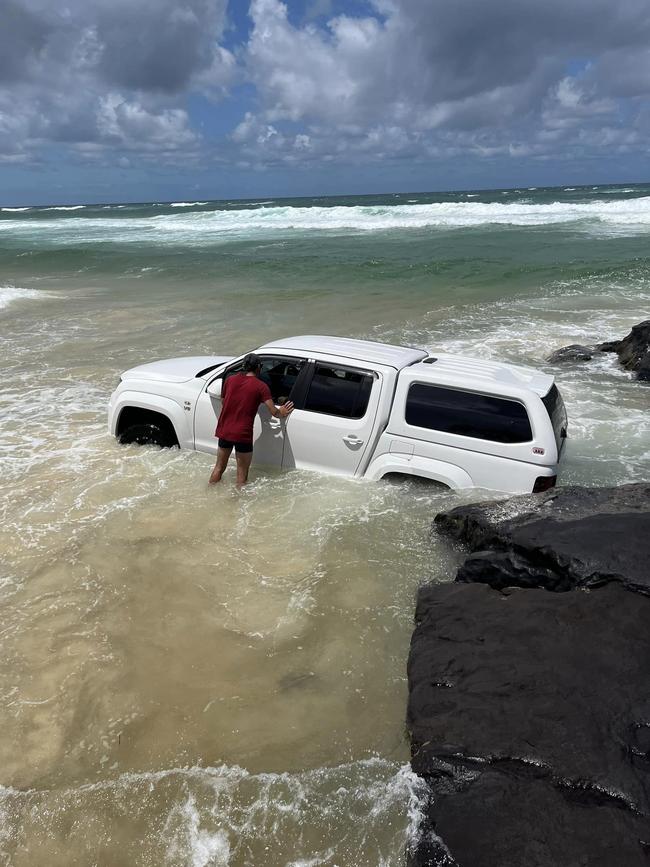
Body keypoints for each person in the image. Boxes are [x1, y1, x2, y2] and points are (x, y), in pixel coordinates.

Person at [209, 354, 294, 486]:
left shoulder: (230, 380)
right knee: (241, 477)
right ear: (258, 368)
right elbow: (274, 412)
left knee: (219, 468)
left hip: (224, 431)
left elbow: (223, 401)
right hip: (243, 435)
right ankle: (236, 504)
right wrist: (282, 411)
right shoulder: (261, 387)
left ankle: (209, 492)